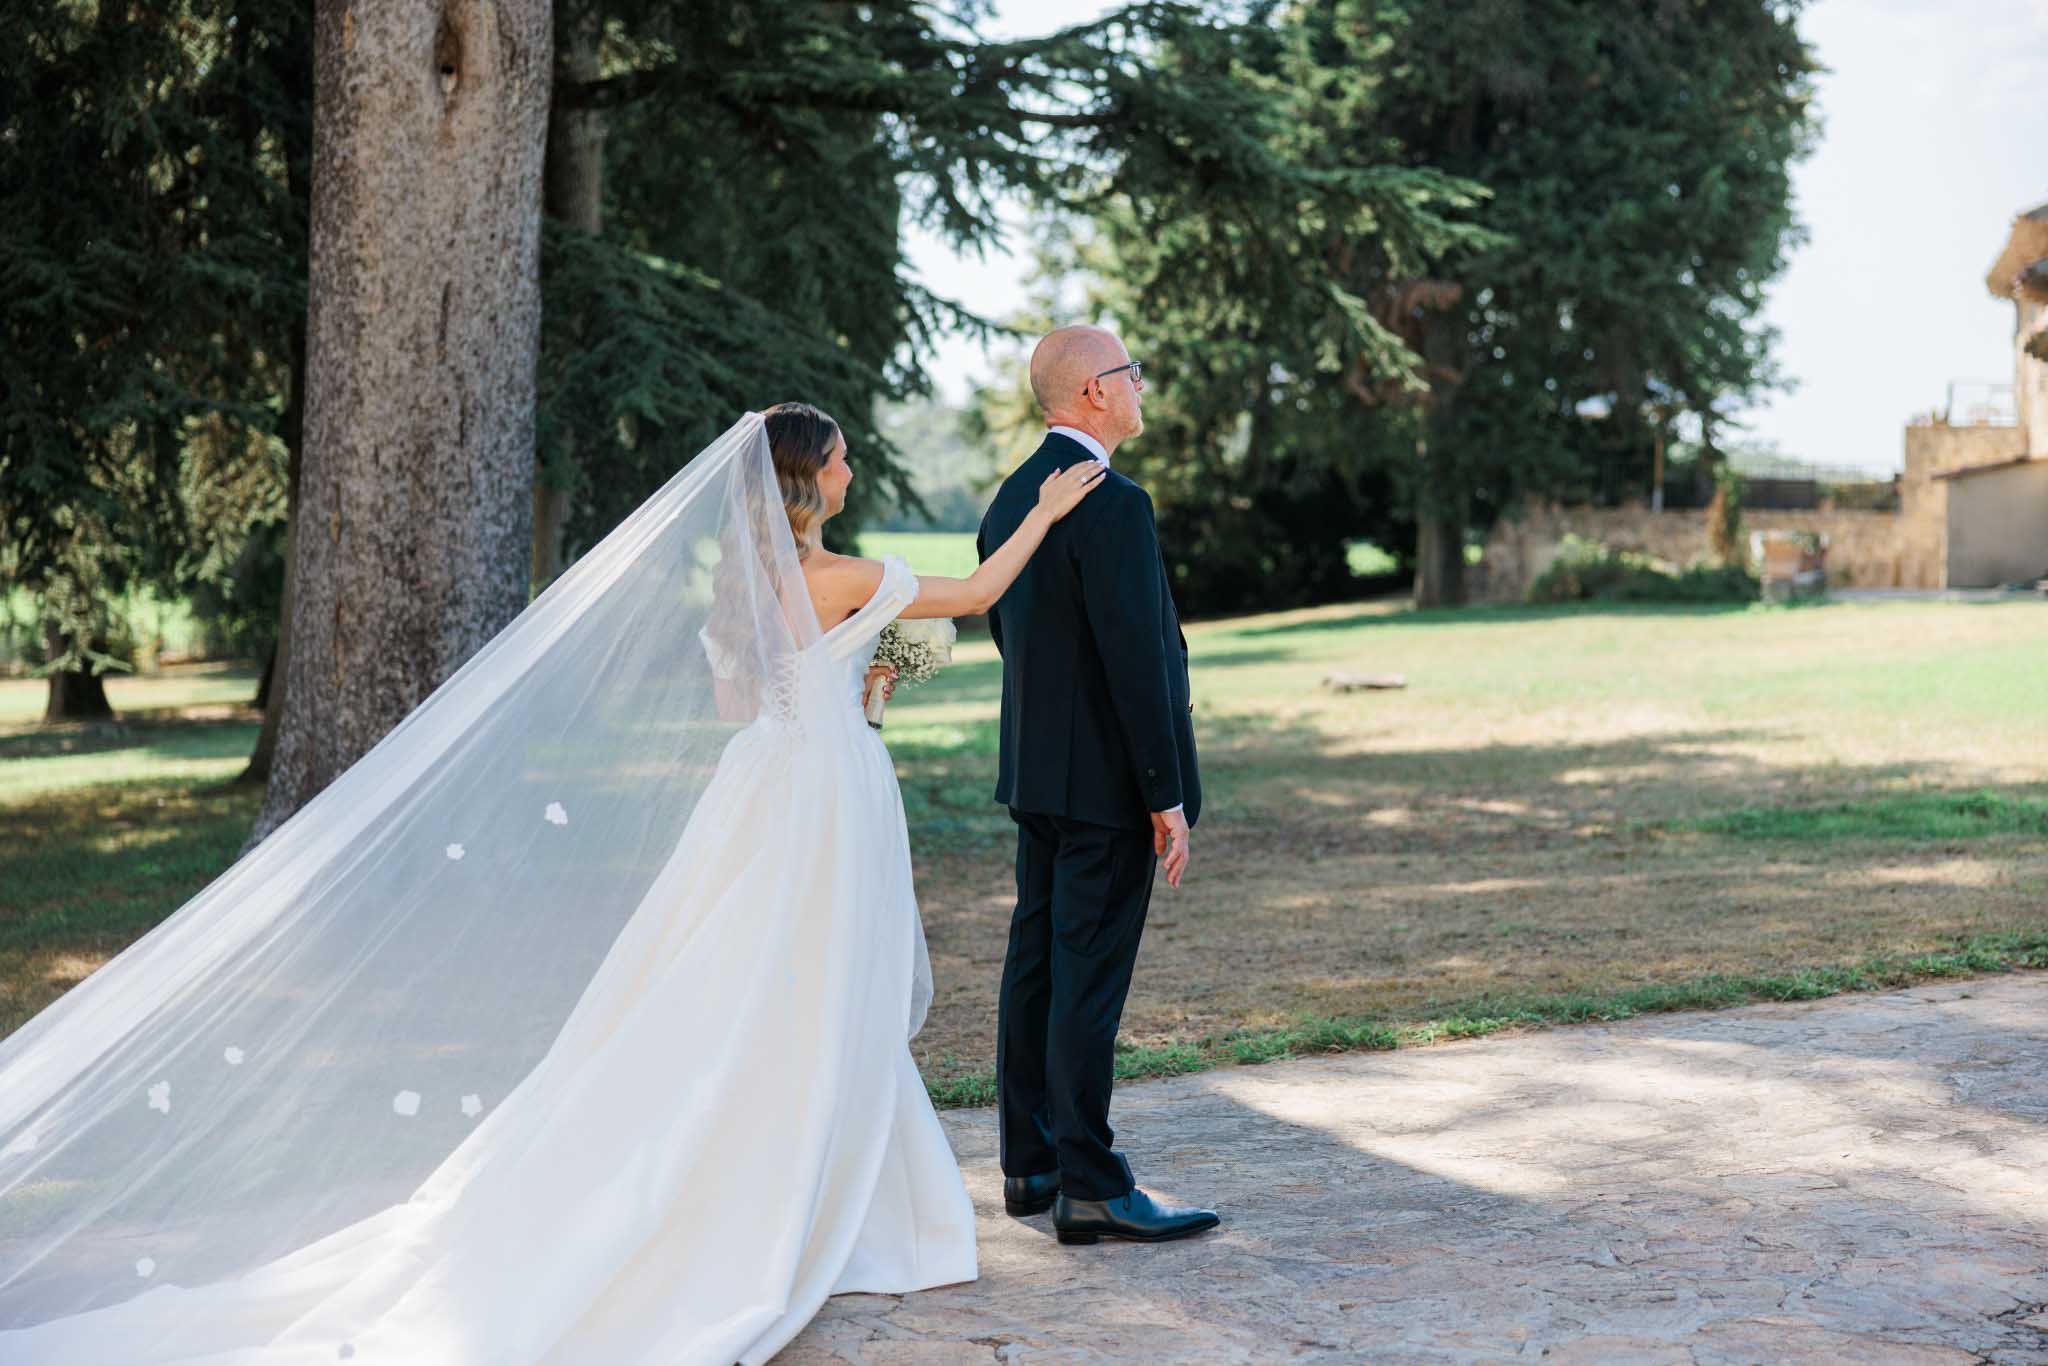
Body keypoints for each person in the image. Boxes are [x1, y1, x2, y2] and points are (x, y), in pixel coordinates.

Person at [0, 404, 1104, 1364]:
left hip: (763, 788)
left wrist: (845, 679)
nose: (854, 471)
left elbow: (738, 709)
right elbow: (970, 593)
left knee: (749, 984)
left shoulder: (751, 583)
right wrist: (1042, 515)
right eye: (844, 459)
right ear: (809, 480)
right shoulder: (840, 576)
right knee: (823, 988)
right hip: (826, 795)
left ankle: (826, 1188)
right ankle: (838, 1211)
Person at [976, 326, 1218, 1245]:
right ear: (1090, 395)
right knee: (1086, 982)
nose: (1141, 384)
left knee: (1037, 965)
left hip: (1037, 774)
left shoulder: (1010, 498)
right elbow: (1136, 661)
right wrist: (1164, 793)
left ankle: (1029, 1164)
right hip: (1109, 786)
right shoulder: (1111, 503)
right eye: (1130, 372)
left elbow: (1016, 640)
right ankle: (1091, 1182)